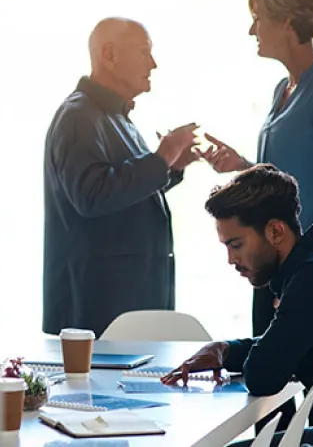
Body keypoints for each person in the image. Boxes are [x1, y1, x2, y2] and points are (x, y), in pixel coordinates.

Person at [198, 0, 313, 427]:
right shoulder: (283, 90)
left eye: (258, 20)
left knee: (293, 391)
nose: (252, 31)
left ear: (289, 21)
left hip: (304, 269)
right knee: (266, 393)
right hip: (279, 267)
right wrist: (242, 167)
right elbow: (284, 182)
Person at [42, 17, 198, 337]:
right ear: (109, 55)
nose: (153, 64)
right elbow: (93, 195)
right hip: (98, 311)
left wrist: (171, 167)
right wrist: (160, 158)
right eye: (144, 51)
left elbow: (122, 192)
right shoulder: (78, 116)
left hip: (122, 304)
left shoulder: (113, 116)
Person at [161, 164, 313, 446]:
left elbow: (263, 375)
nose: (230, 259)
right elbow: (280, 345)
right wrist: (225, 350)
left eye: (236, 245)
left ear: (275, 232)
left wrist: (243, 353)